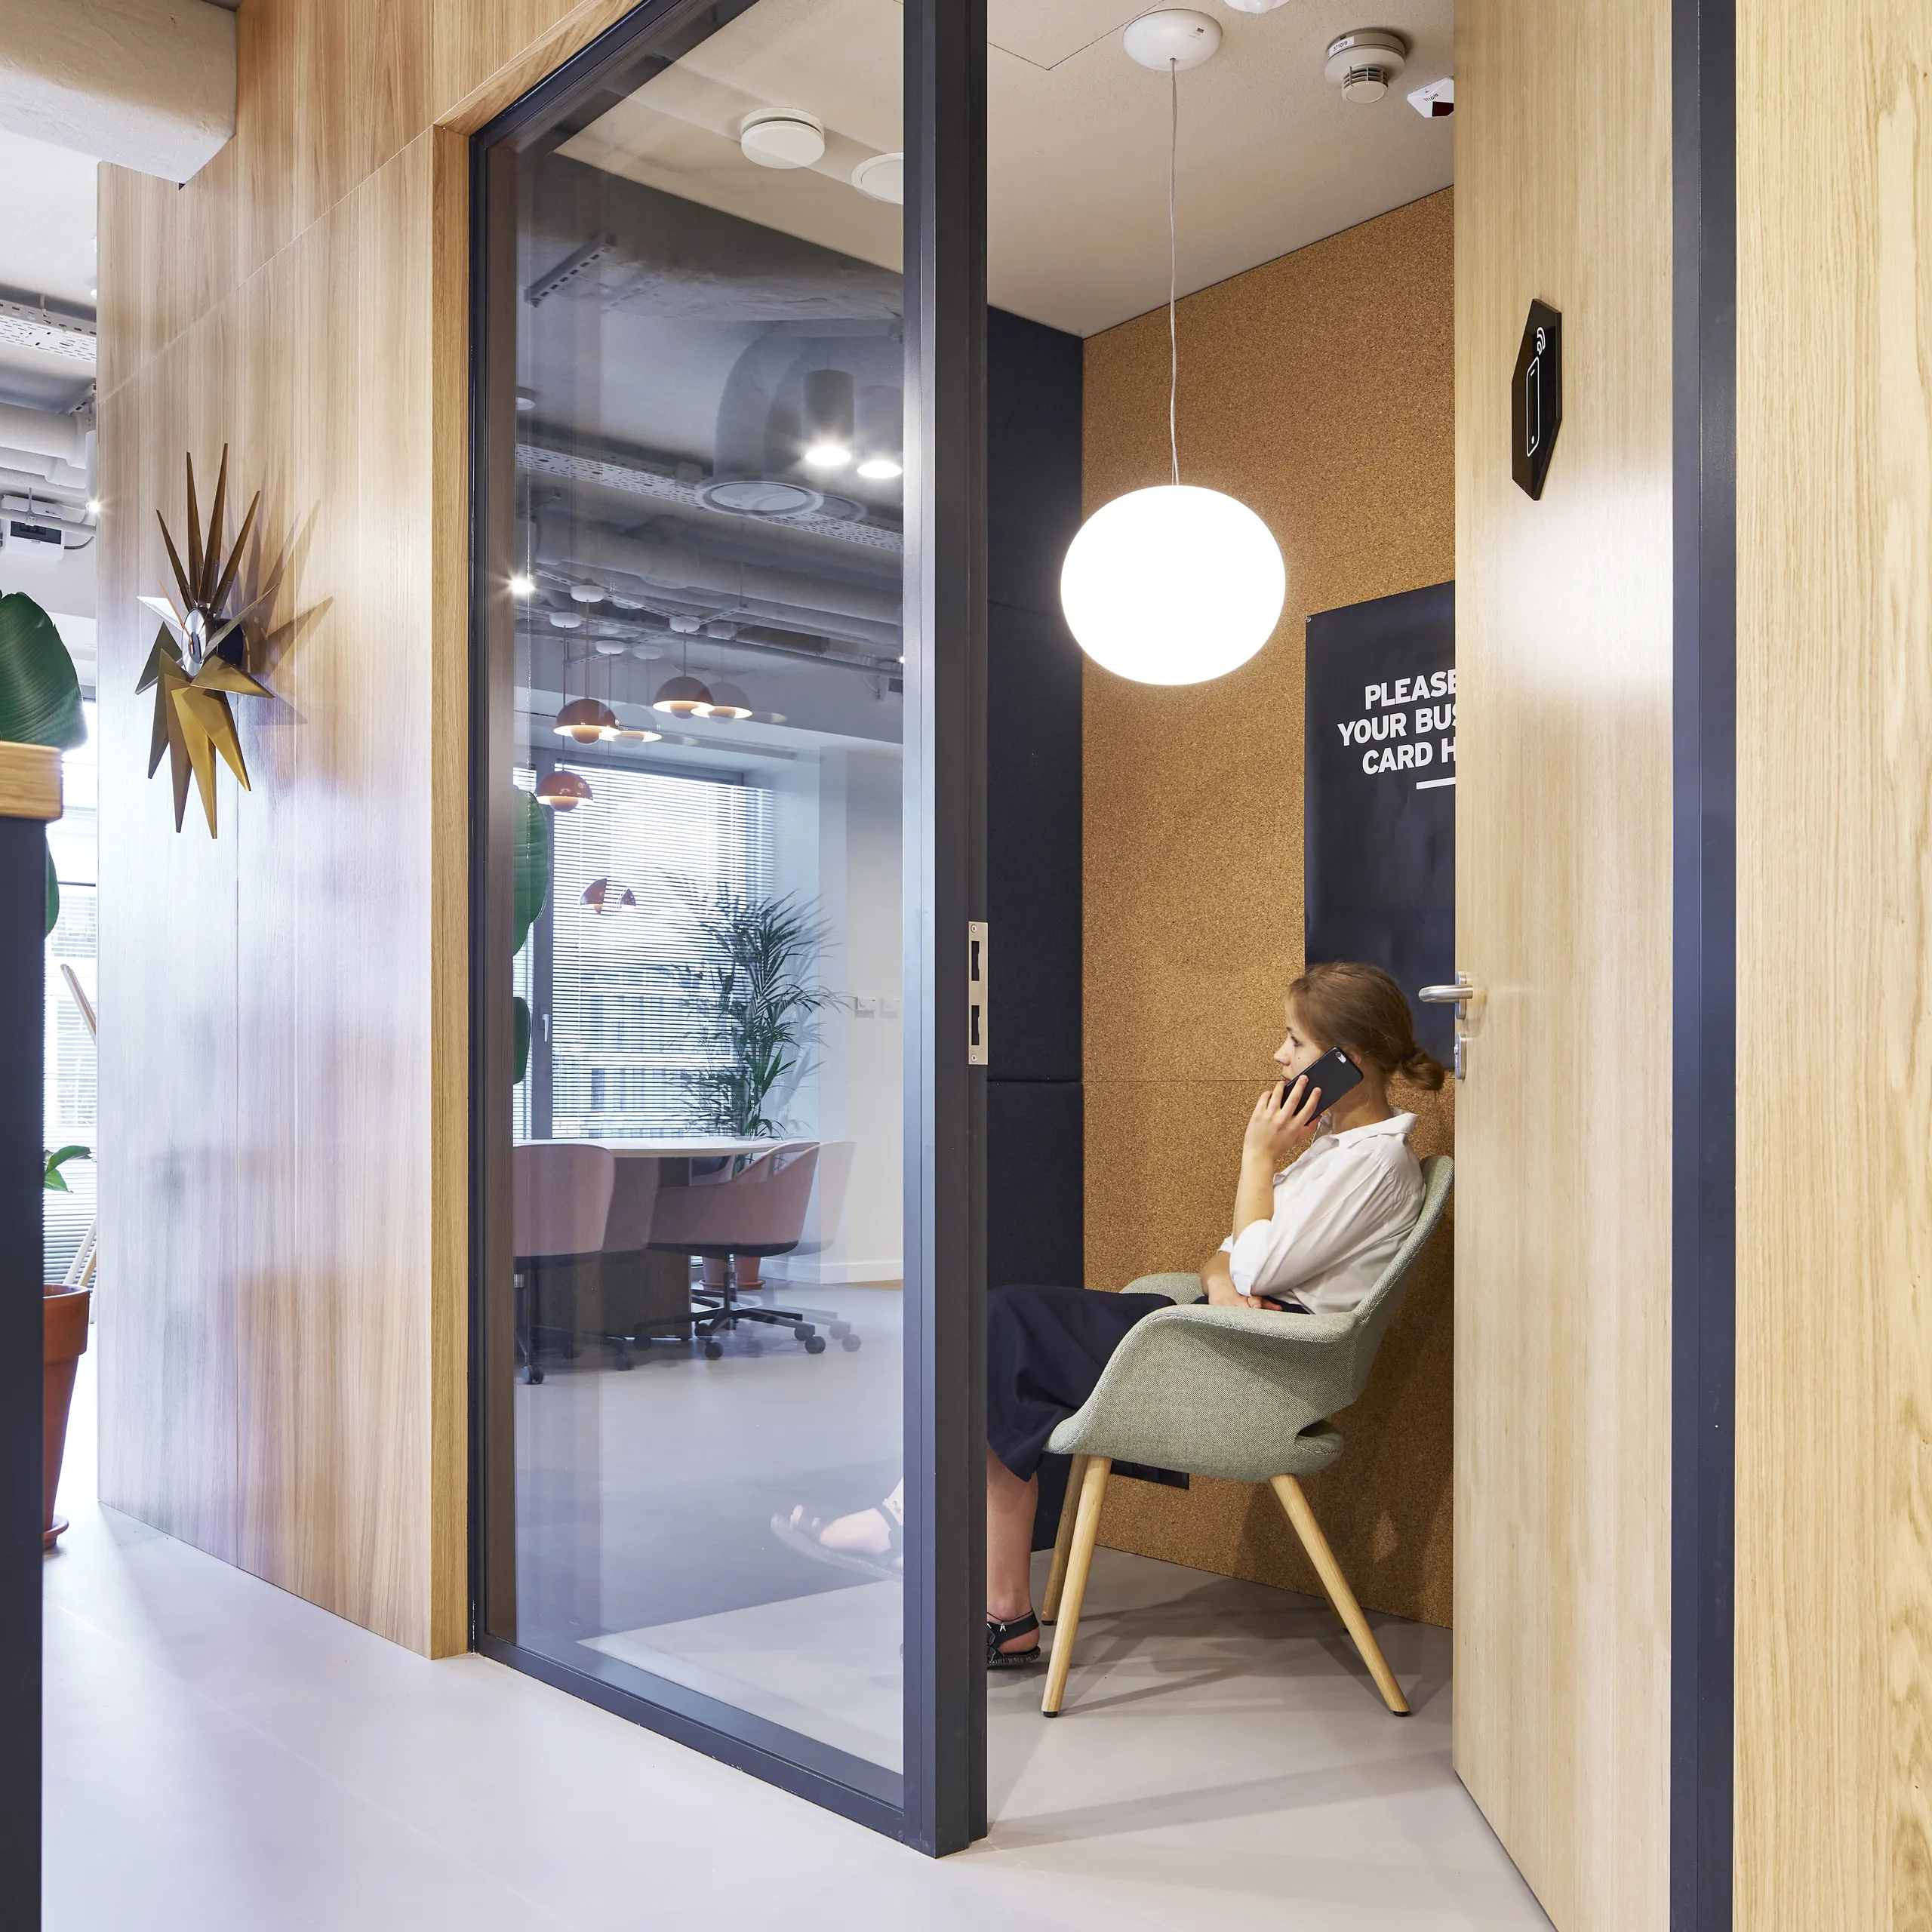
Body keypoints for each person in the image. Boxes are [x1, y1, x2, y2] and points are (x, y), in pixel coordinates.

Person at [776, 960, 1445, 1669]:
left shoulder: (1373, 1166)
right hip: (1221, 1328)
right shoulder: (1337, 1151)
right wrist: (1222, 1281)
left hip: (1259, 1361)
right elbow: (1225, 1258)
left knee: (1000, 1326)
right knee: (1004, 1350)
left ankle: (930, 1546)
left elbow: (1248, 1262)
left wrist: (1255, 1161)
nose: (1279, 1057)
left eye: (1296, 1042)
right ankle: (994, 1606)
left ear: (1351, 1060)